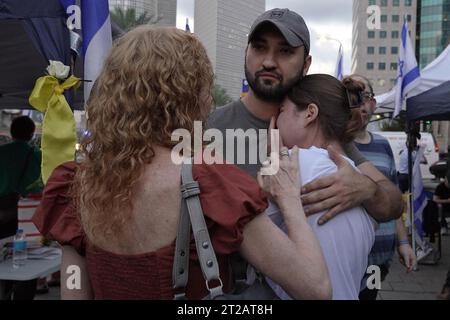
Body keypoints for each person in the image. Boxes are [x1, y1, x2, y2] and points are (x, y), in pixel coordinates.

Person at [33, 26, 331, 300]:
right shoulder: (211, 180)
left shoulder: (77, 183)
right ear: (191, 94)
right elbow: (315, 288)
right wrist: (289, 199)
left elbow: (73, 288)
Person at [208, 8, 403, 225]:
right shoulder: (208, 129)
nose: (269, 61)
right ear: (246, 52)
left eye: (285, 51)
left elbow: (394, 203)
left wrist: (368, 189)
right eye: (259, 47)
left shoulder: (318, 130)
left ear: (306, 64)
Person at [264, 74, 376, 300]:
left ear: (309, 113)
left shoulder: (295, 166)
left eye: (282, 110)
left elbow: (242, 232)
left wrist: (272, 158)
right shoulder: (355, 177)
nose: (276, 118)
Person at [350, 75, 416, 300]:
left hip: (379, 259)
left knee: (369, 297)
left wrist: (404, 243)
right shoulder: (333, 145)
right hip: (346, 259)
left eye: (365, 96)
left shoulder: (383, 145)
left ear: (373, 104)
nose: (360, 104)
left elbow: (394, 199)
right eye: (352, 96)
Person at [0, 115, 42, 300]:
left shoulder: (1, 152)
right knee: (27, 259)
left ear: (11, 132)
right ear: (32, 134)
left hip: (1, 214)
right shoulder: (37, 155)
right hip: (26, 215)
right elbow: (41, 185)